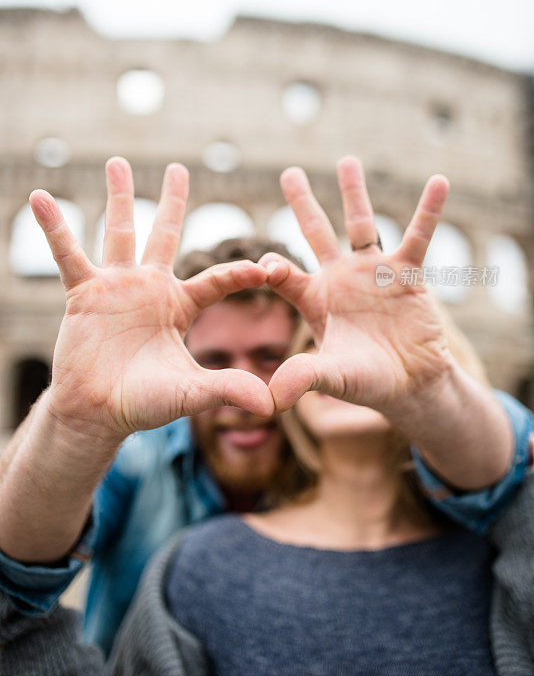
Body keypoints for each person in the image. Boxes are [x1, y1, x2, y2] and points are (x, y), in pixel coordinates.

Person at [0, 156, 531, 656]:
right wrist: (73, 423)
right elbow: (14, 567)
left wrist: (430, 392)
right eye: (213, 360)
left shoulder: (364, 450)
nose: (244, 391)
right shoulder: (141, 459)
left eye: (272, 357)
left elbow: (509, 472)